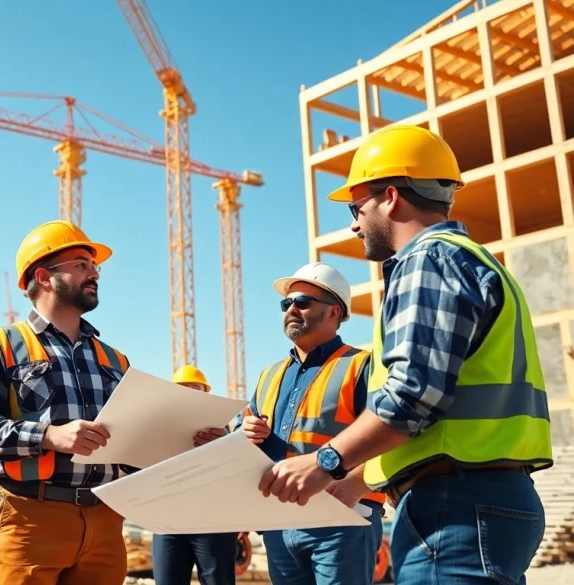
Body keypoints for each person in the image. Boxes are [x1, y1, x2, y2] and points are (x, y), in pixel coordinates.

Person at [258, 125, 553, 585]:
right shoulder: (470, 260)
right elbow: (439, 414)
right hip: (476, 497)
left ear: (391, 196)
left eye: (357, 208)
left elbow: (413, 397)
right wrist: (352, 484)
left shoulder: (428, 260)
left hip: (453, 505)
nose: (354, 224)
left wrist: (323, 462)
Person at [0, 220, 225, 585]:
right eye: (81, 264)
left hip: (105, 521)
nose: (94, 273)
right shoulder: (2, 343)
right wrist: (49, 436)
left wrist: (186, 443)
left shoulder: (115, 360)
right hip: (30, 519)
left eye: (94, 266)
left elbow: (134, 446)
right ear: (45, 276)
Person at [234, 262, 384, 585]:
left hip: (341, 521)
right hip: (278, 524)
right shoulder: (270, 375)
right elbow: (239, 432)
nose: (291, 309)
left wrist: (353, 487)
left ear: (334, 312)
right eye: (285, 303)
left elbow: (387, 434)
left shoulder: (361, 366)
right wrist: (243, 432)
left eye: (302, 301)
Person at [151, 365, 238, 585]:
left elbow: (239, 468)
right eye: (183, 389)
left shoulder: (224, 430)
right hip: (169, 520)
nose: (190, 394)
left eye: (196, 389)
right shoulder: (157, 429)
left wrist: (225, 443)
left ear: (206, 394)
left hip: (213, 521)